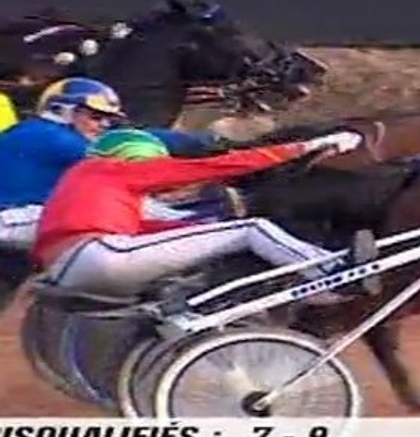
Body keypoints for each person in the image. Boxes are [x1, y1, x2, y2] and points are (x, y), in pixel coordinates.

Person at [33, 127, 379, 302]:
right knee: (254, 229)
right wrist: (307, 146)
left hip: (70, 271)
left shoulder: (80, 184)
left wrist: (214, 228)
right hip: (99, 256)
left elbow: (167, 230)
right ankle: (335, 272)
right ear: (135, 156)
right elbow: (210, 167)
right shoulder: (109, 169)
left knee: (232, 237)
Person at [0, 77, 225, 250]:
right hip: (16, 220)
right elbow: (128, 159)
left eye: (108, 120)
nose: (104, 125)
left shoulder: (39, 132)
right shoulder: (48, 135)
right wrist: (214, 142)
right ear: (62, 111)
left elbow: (130, 136)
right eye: (96, 117)